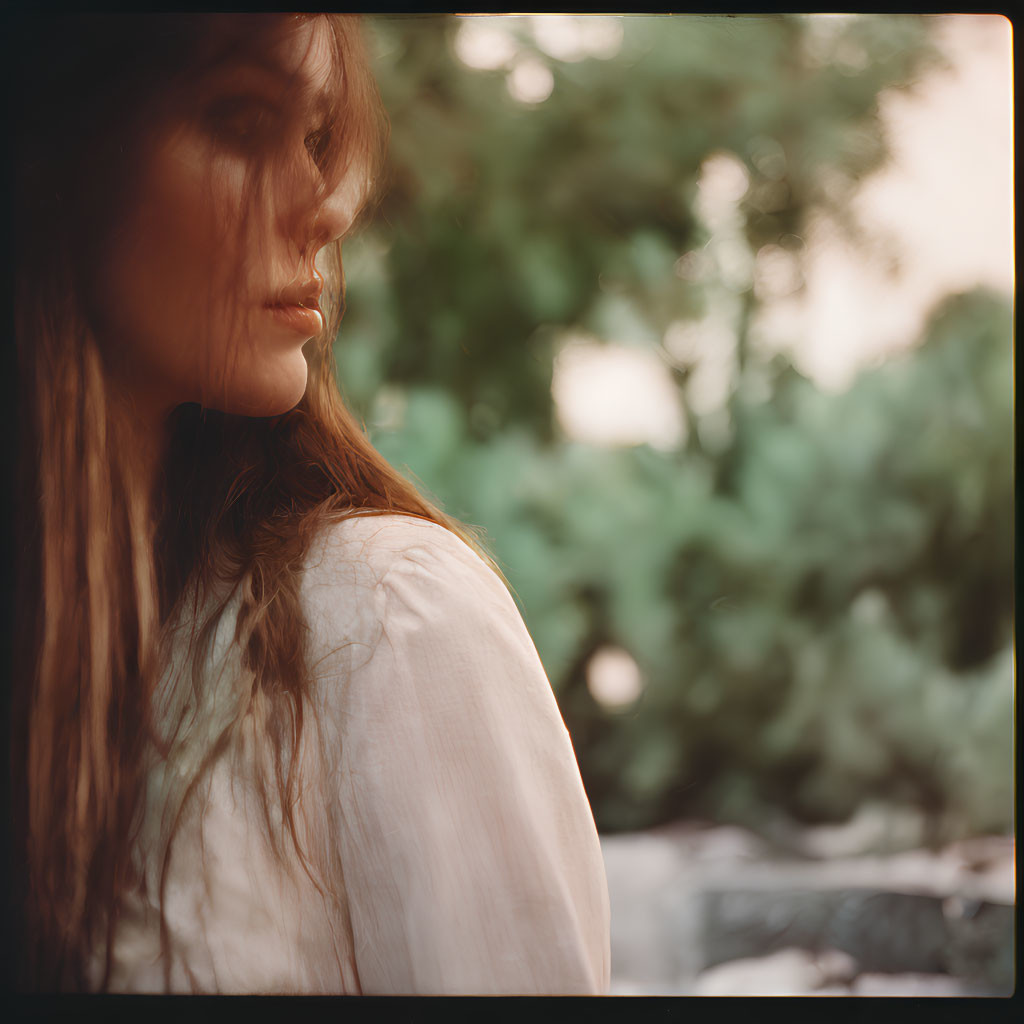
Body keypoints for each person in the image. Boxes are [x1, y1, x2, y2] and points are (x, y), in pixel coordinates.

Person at [11, 13, 610, 994]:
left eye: (316, 137)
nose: (326, 202)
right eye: (241, 121)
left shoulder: (388, 620)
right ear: (54, 155)